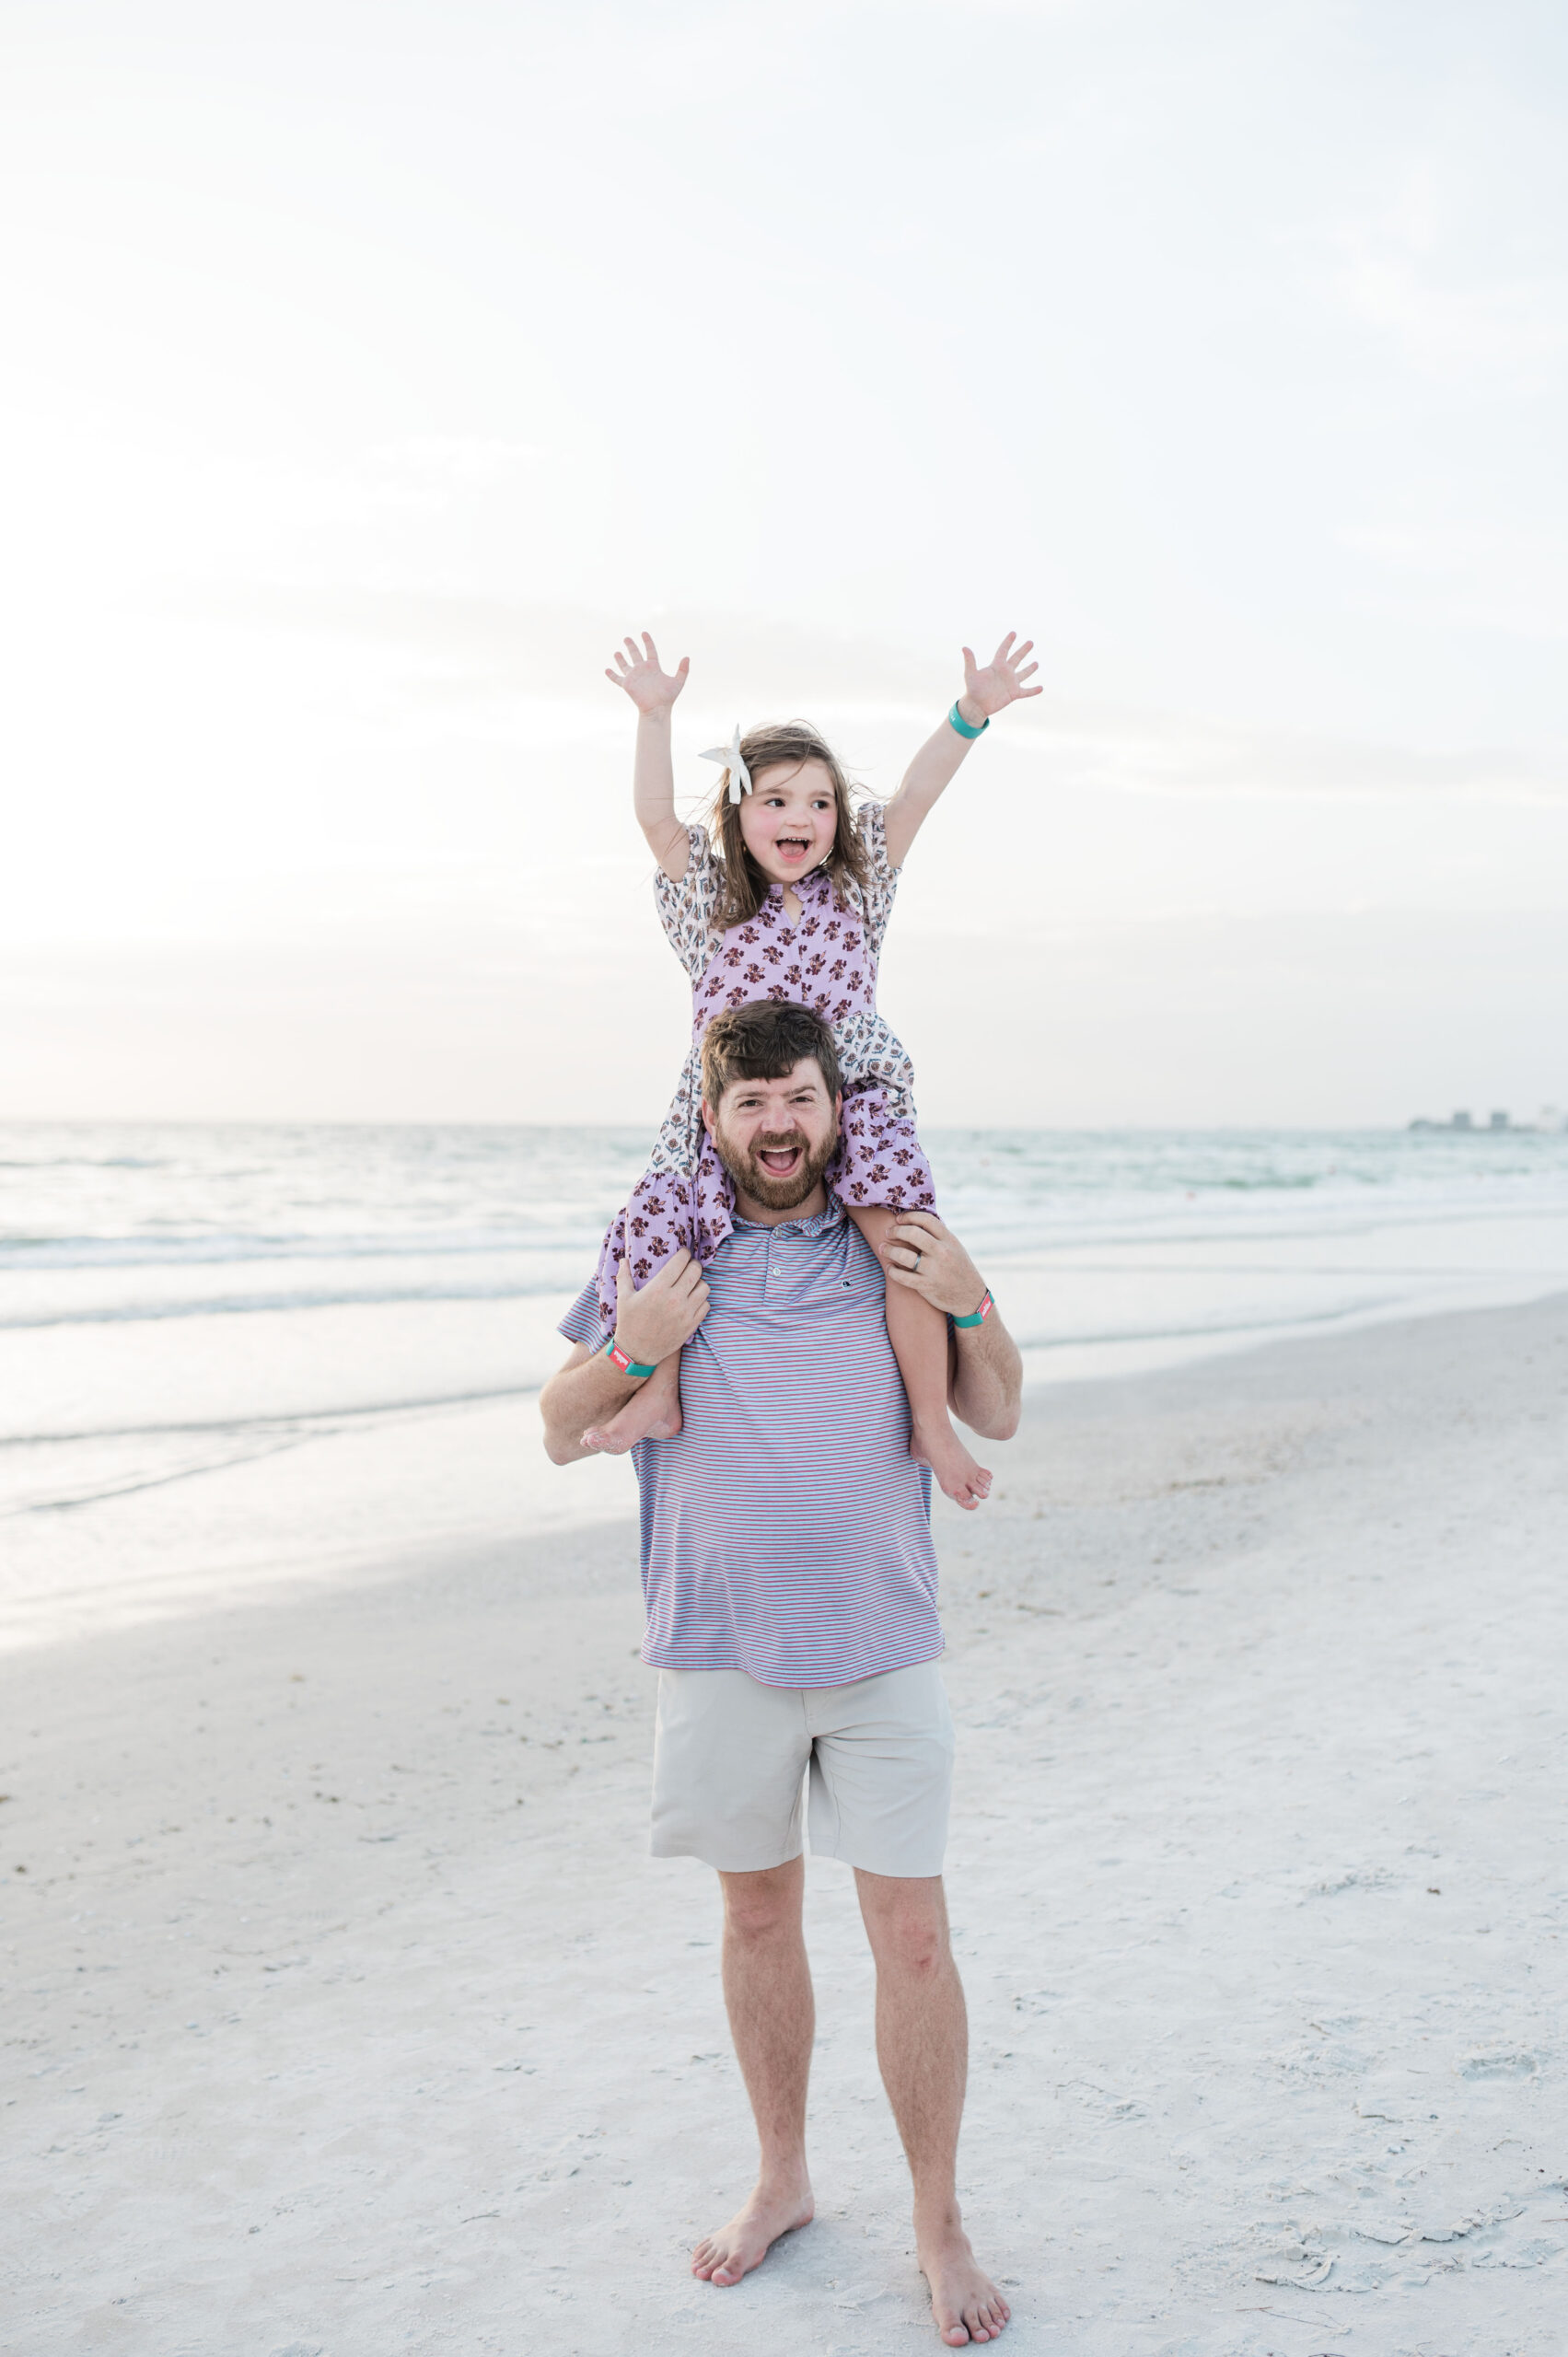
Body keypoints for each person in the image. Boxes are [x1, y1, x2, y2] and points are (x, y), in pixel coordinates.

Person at [540, 999, 1023, 2350]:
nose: (775, 1125)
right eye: (749, 1105)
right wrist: (634, 1345)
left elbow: (998, 1408)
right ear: (712, 1119)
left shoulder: (895, 1245)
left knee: (912, 1939)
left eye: (797, 1100)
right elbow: (557, 1428)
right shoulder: (665, 1252)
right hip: (716, 1651)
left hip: (880, 1648)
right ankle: (783, 2178)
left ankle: (936, 2223)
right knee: (755, 1923)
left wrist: (971, 1293)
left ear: (833, 1109)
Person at [581, 627, 1040, 1511]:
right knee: (655, 1226)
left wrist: (970, 714)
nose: (802, 819)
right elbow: (650, 817)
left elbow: (913, 794)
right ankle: (660, 1391)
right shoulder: (707, 900)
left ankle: (929, 1422)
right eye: (779, 801)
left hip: (854, 1092)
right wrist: (654, 717)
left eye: (821, 804)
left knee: (904, 1247)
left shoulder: (858, 890)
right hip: (733, 1100)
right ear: (739, 813)